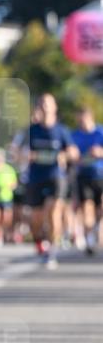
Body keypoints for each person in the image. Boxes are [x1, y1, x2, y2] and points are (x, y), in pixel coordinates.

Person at [16, 93, 76, 269]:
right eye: (41, 103)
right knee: (36, 218)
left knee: (54, 211)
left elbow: (74, 152)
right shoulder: (31, 130)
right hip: (35, 177)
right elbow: (16, 152)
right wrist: (26, 155)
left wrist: (64, 155)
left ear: (55, 107)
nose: (44, 106)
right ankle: (40, 243)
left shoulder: (62, 130)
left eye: (48, 103)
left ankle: (53, 252)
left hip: (56, 176)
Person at [71, 106, 103, 254]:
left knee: (100, 207)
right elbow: (70, 153)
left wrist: (100, 152)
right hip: (83, 175)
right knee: (87, 207)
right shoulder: (75, 135)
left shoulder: (100, 132)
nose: (82, 122)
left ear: (91, 118)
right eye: (80, 120)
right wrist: (75, 157)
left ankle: (97, 228)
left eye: (84, 119)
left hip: (100, 174)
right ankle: (90, 238)